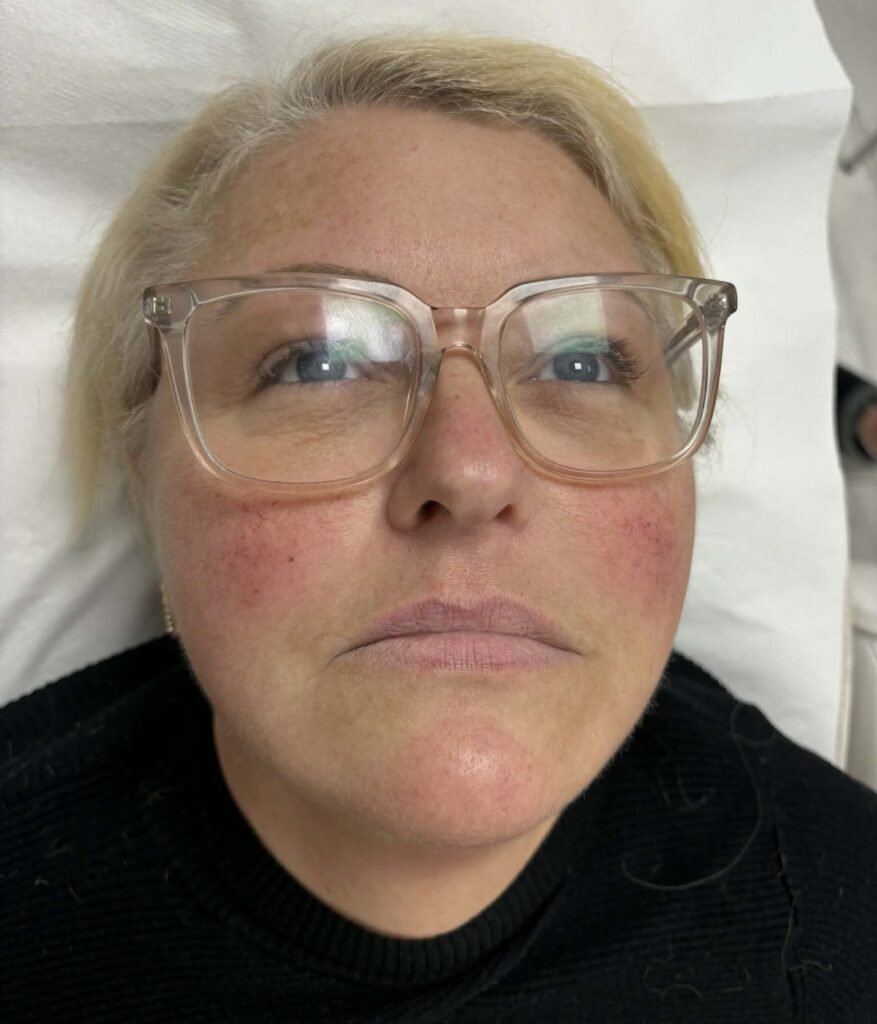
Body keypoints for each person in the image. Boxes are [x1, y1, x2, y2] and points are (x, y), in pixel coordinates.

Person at [2, 29, 875, 1023]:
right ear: (144, 465)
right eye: (317, 364)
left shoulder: (844, 933)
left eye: (581, 362)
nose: (468, 470)